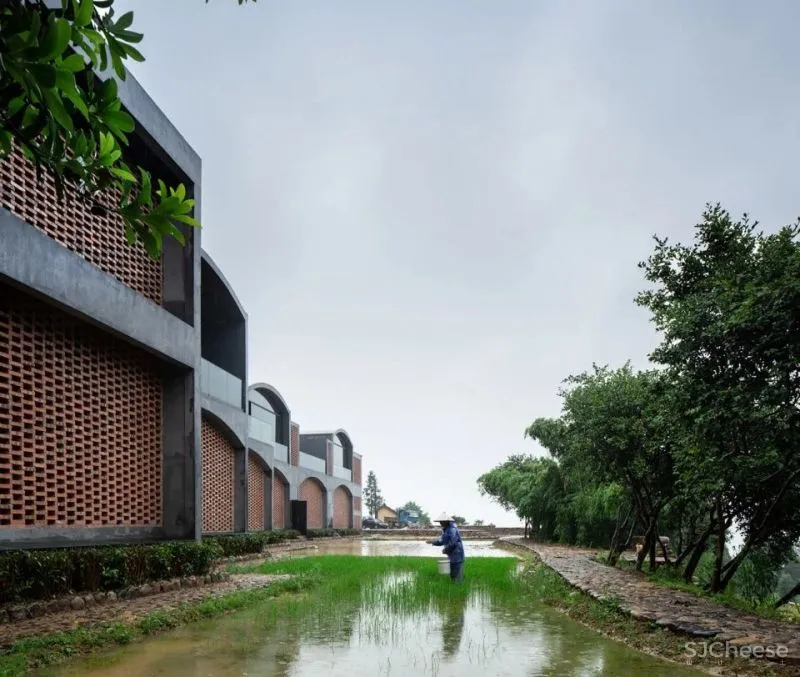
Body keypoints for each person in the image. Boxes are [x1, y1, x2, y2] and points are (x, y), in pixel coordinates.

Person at [430, 512, 465, 582]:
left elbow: (453, 542)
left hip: (457, 554)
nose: (440, 523)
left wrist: (446, 549)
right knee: (452, 575)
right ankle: (455, 588)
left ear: (447, 522)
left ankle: (458, 589)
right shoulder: (446, 530)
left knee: (457, 576)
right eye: (440, 522)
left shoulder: (452, 529)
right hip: (452, 555)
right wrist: (433, 542)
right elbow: (442, 541)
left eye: (442, 522)